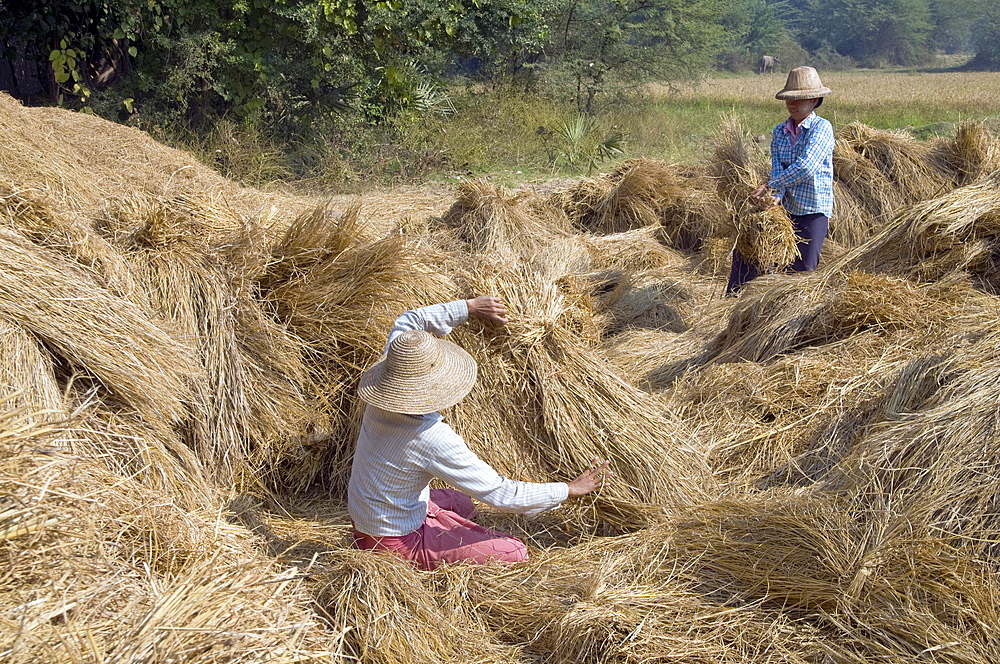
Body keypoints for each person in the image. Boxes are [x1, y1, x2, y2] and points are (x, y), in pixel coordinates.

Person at [347, 295, 612, 570]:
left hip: (371, 514)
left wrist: (469, 307)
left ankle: (431, 523)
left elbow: (409, 320)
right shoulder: (429, 437)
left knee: (462, 501)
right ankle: (415, 550)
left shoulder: (393, 372)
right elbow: (501, 494)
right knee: (514, 551)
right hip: (393, 541)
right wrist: (568, 489)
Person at [727, 66, 835, 295]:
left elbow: (806, 167)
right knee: (749, 252)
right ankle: (734, 303)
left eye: (799, 99)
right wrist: (776, 197)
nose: (792, 104)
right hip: (785, 209)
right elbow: (778, 167)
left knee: (802, 270)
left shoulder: (821, 128)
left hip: (812, 209)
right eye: (789, 99)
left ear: (814, 100)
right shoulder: (780, 131)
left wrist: (769, 185)